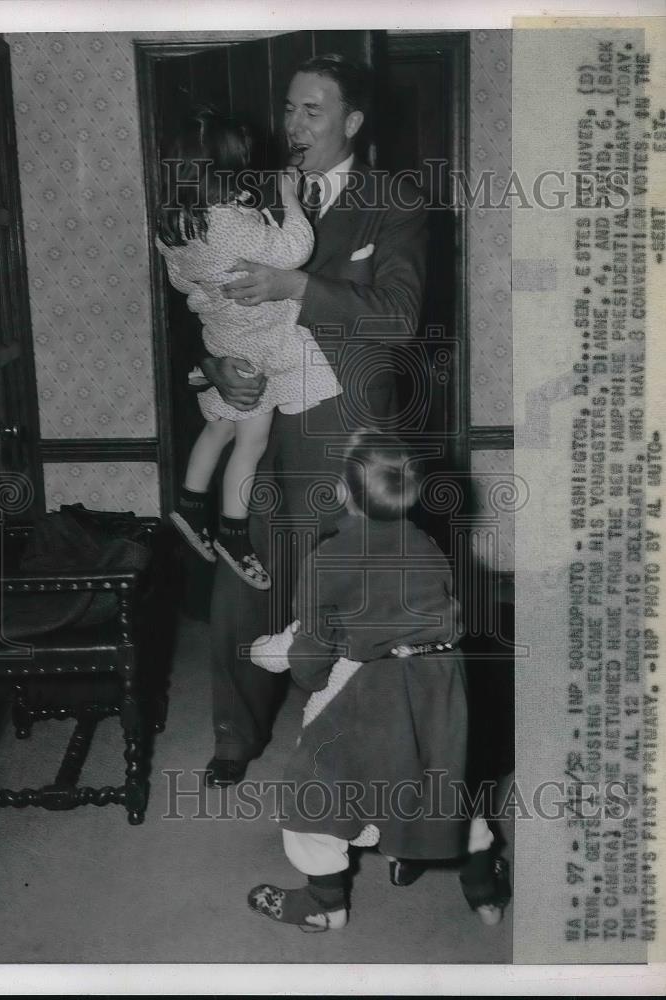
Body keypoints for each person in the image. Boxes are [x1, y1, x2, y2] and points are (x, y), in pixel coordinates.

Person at [197, 52, 430, 790]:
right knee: (242, 587)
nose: (293, 124)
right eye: (289, 109)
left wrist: (296, 283)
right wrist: (213, 366)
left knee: (342, 597)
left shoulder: (395, 196)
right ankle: (234, 733)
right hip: (260, 428)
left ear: (352, 122)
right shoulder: (249, 190)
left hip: (346, 431)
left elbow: (398, 318)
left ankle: (356, 746)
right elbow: (203, 302)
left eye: (313, 111)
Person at [244, 432, 508, 931]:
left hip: (375, 687)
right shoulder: (429, 545)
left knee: (314, 790)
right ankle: (484, 889)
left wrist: (300, 669)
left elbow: (312, 652)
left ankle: (325, 902)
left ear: (343, 492)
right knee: (439, 780)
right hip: (442, 683)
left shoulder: (328, 558)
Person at [155, 108, 342, 589]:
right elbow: (294, 250)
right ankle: (232, 533)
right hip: (258, 341)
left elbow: (181, 280)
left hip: (220, 334)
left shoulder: (173, 222)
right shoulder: (229, 224)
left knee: (218, 426)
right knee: (250, 441)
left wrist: (212, 282)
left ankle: (191, 503)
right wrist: (287, 200)